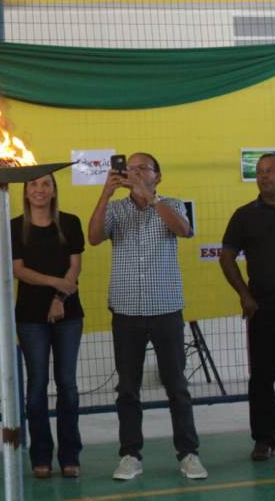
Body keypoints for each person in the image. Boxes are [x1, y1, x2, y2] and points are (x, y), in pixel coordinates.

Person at [88, 152, 207, 481]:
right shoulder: (115, 209)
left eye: (144, 168)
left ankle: (188, 453)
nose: (136, 172)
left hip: (165, 309)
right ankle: (130, 455)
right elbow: (94, 237)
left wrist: (151, 200)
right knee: (127, 388)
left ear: (158, 176)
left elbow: (184, 230)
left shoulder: (172, 204)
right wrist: (105, 194)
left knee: (177, 385)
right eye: (132, 168)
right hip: (126, 310)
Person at [220, 153, 275, 462]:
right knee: (261, 378)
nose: (263, 176)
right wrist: (244, 294)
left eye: (269, 171)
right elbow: (226, 256)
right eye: (259, 172)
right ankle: (264, 440)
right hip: (261, 309)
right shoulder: (244, 215)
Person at [10, 174, 84, 479]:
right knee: (36, 387)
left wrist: (58, 298)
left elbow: (75, 266)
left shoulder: (69, 222)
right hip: (30, 317)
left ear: (54, 190)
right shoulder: (15, 226)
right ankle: (40, 456)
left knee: (67, 384)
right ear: (26, 193)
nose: (39, 190)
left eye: (45, 184)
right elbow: (19, 271)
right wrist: (57, 283)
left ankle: (70, 455)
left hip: (68, 312)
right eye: (33, 185)